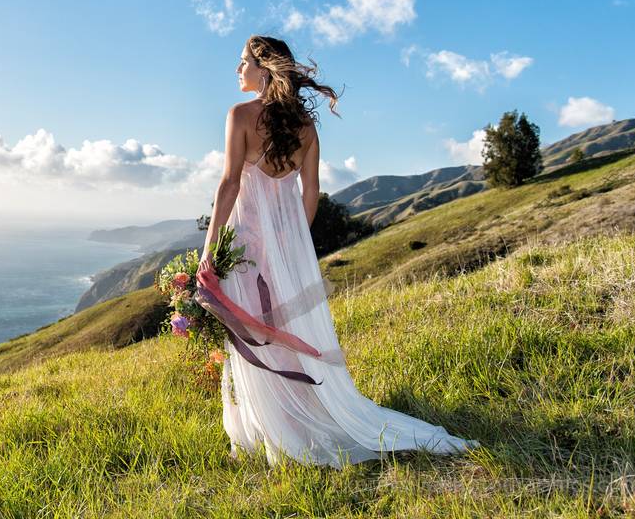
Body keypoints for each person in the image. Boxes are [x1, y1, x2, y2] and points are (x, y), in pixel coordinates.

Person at [198, 35, 480, 468]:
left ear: (265, 68)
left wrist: (210, 251)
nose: (237, 71)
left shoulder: (239, 115)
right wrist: (293, 244)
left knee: (251, 334)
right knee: (282, 331)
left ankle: (270, 430)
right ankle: (295, 418)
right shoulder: (306, 129)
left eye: (242, 63)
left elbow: (230, 184)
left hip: (243, 248)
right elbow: (310, 192)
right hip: (287, 252)